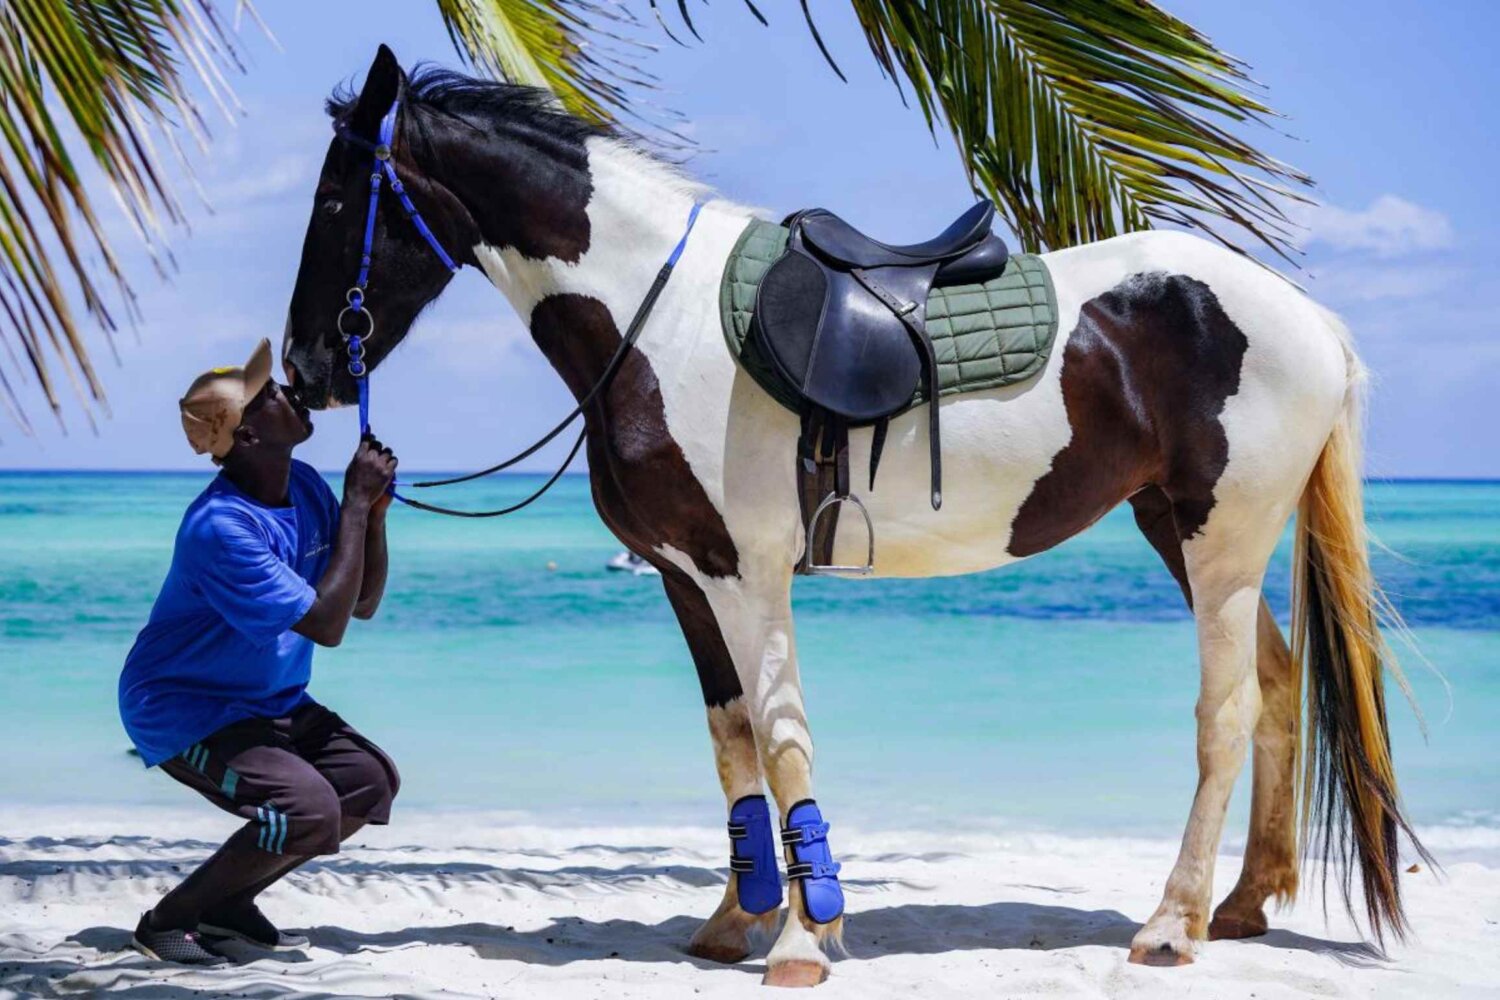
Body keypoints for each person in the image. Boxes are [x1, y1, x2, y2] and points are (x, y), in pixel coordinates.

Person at [118, 338, 400, 965]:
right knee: (307, 810)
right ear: (244, 438)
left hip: (268, 699)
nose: (285, 391)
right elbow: (325, 626)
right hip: (184, 709)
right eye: (265, 394)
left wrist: (371, 518)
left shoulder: (300, 484)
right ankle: (168, 920)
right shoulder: (221, 527)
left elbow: (359, 604)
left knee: (367, 783)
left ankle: (228, 904)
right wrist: (354, 504)